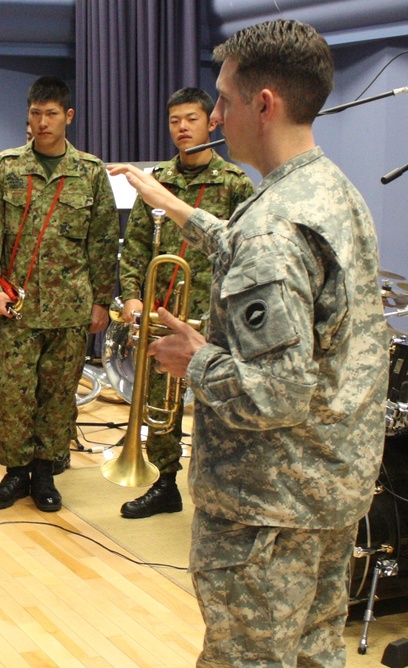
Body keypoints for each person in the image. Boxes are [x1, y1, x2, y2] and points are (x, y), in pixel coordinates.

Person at [110, 19, 387, 665]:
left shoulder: (272, 226)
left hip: (268, 506)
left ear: (264, 104)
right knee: (316, 651)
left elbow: (277, 394)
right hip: (331, 486)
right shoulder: (331, 191)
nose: (215, 117)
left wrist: (196, 359)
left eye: (224, 102)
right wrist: (173, 205)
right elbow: (255, 248)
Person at [0, 75, 119, 512]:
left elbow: (102, 239)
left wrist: (100, 300)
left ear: (68, 116)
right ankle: (14, 473)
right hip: (17, 306)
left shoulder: (90, 172)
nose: (42, 122)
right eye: (35, 113)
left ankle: (43, 473)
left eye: (51, 114)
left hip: (71, 308)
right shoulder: (7, 166)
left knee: (58, 398)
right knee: (16, 395)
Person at [117, 88, 253, 519]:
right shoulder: (156, 181)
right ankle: (164, 483)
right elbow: (135, 244)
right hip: (164, 311)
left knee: (221, 406)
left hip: (214, 317)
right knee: (162, 404)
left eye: (191, 119)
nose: (182, 128)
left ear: (210, 123)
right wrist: (135, 295)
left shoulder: (235, 184)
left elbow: (245, 252)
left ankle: (225, 491)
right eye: (175, 120)